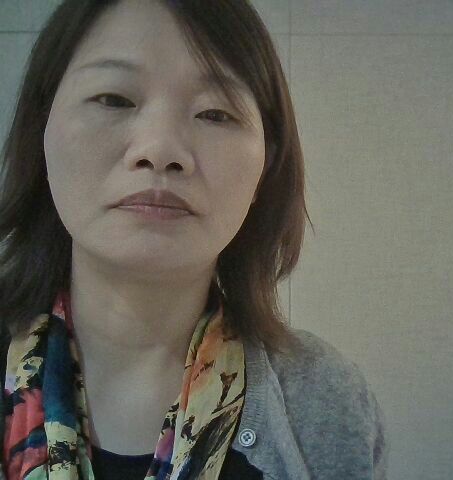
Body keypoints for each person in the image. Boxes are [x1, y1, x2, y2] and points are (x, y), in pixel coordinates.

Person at [0, 0, 387, 479]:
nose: (160, 150)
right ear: (40, 131)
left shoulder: (325, 400)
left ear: (266, 164)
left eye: (215, 113)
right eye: (114, 99)